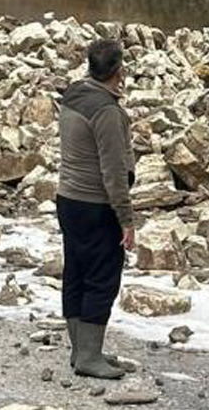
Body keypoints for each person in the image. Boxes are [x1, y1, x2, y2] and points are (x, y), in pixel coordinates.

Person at [56, 39, 137, 380]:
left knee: (76, 271)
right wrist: (127, 220)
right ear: (119, 71)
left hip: (68, 200)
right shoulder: (106, 111)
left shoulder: (74, 94)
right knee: (102, 278)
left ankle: (82, 351)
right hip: (95, 205)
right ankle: (89, 357)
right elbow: (113, 173)